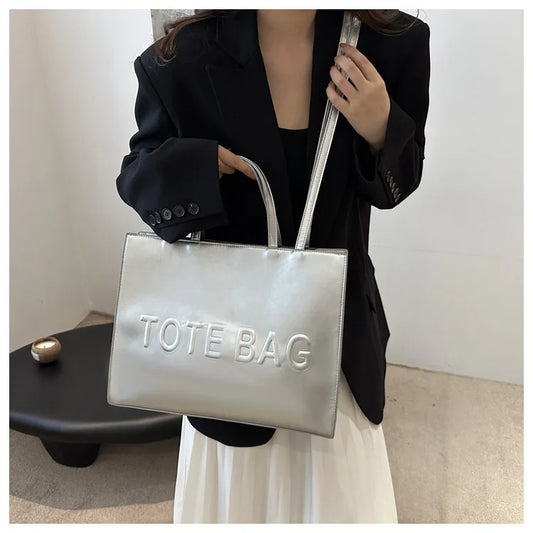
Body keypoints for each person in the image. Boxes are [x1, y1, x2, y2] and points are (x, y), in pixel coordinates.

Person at [116, 8, 430, 523]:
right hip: (225, 350)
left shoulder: (393, 43)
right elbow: (137, 178)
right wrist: (196, 167)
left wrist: (382, 128)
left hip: (337, 343)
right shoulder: (179, 60)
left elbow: (402, 180)